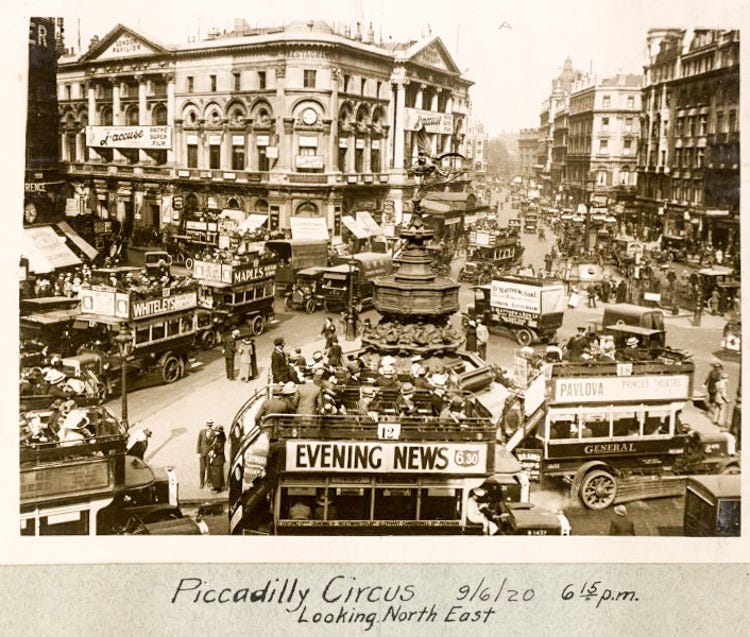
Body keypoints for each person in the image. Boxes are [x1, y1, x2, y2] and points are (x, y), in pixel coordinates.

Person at [196, 419, 215, 489]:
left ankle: (209, 481)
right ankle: (201, 481)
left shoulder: (213, 433)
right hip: (202, 453)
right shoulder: (201, 432)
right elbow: (198, 442)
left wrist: (213, 452)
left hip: (209, 454)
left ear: (211, 426)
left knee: (209, 468)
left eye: (209, 426)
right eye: (207, 425)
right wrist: (198, 452)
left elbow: (214, 444)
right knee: (202, 469)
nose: (208, 427)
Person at [208, 424, 227, 493]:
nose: (215, 432)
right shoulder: (217, 437)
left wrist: (213, 453)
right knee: (216, 473)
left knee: (217, 474)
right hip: (218, 457)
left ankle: (217, 488)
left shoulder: (220, 439)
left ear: (220, 432)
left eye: (217, 431)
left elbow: (219, 448)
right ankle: (216, 486)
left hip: (218, 458)